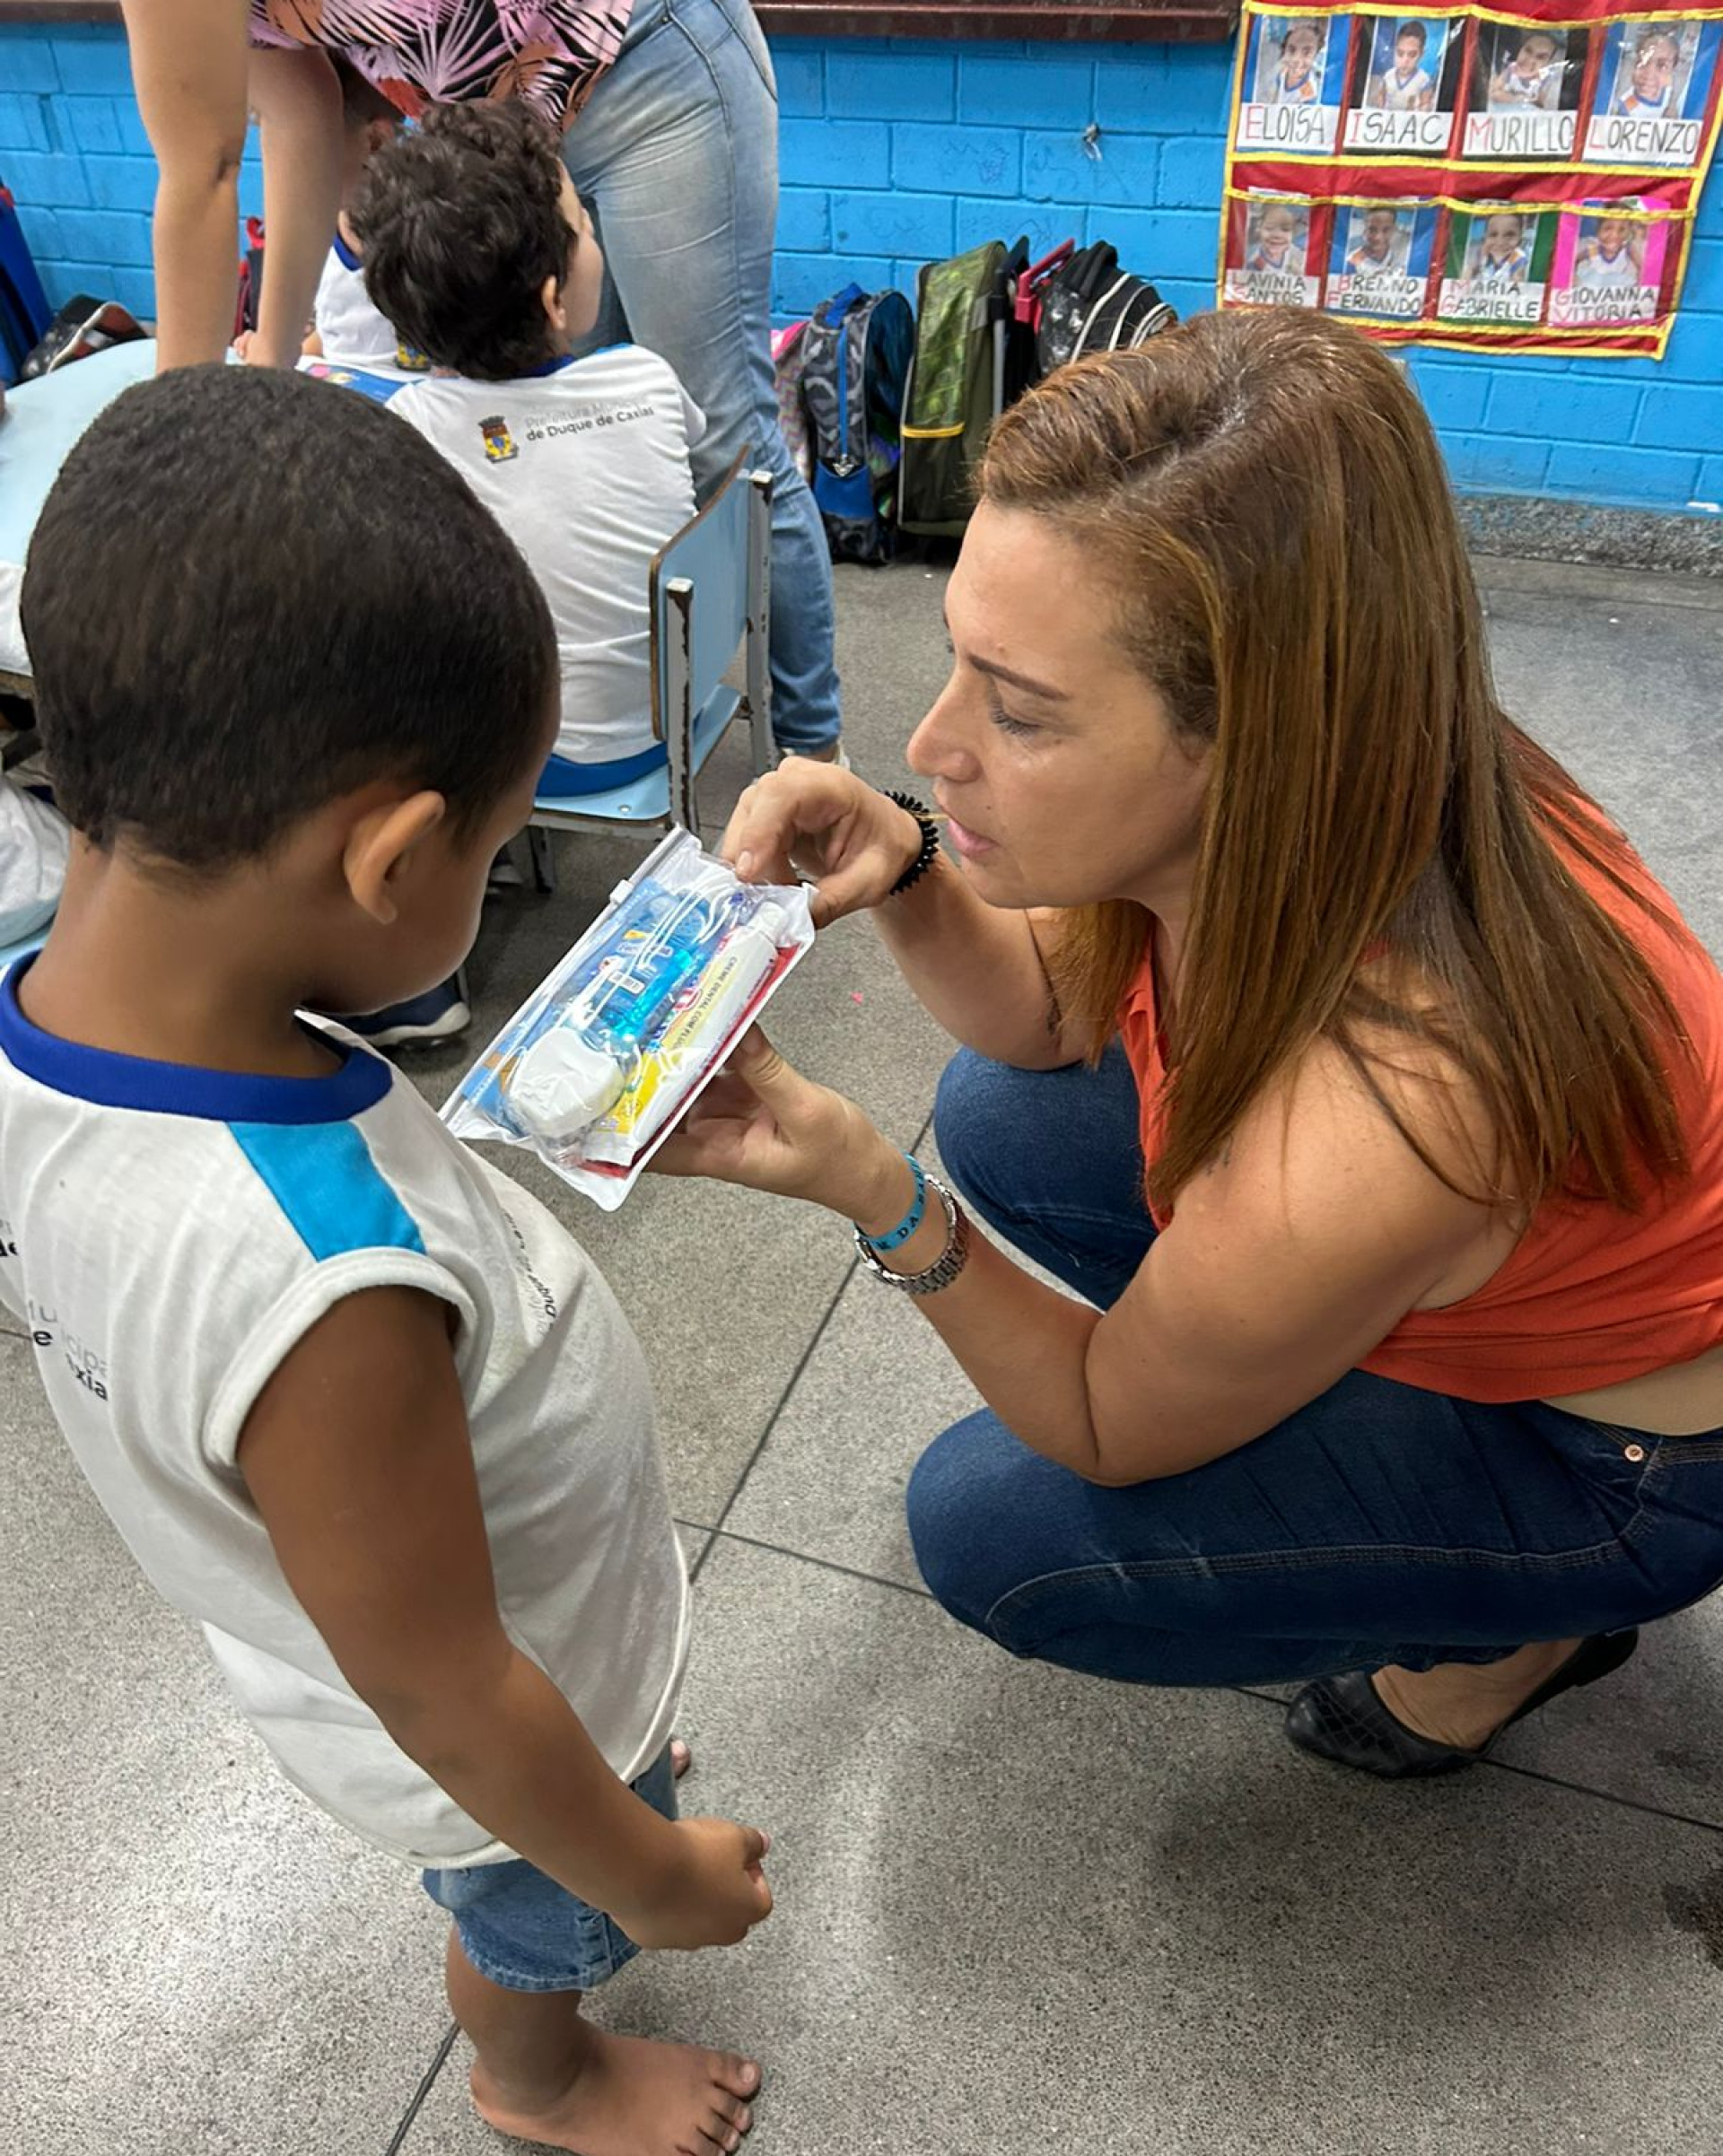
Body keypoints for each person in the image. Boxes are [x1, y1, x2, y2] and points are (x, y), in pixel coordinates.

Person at [659, 308, 1723, 1783]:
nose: (935, 742)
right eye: (963, 660)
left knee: (1004, 1532)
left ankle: (1522, 1628)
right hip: (1468, 1249)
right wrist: (907, 861)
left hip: (1619, 1467)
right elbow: (1046, 1014)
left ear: (1253, 736)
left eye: (1020, 715)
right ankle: (1329, 1363)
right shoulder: (1357, 765)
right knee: (1009, 1106)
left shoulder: (1381, 1106)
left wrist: (870, 1189)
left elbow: (1102, 1425)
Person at [3, 365, 770, 2156]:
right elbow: (445, 1684)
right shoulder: (323, 1293)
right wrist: (642, 1869)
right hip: (508, 1728)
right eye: (496, 851)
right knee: (538, 1914)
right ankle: (543, 2072)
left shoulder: (54, 1012)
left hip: (380, 1633)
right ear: (396, 855)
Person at [117, 0, 843, 764]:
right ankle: (604, 702)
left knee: (730, 444)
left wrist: (184, 448)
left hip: (646, 67)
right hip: (512, 152)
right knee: (552, 437)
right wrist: (271, 358)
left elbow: (205, 174)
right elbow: (302, 123)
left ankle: (815, 755)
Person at [355, 102, 700, 783]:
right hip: (678, 712)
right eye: (584, 225)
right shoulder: (647, 376)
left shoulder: (410, 428)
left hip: (523, 759)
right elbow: (689, 444)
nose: (593, 231)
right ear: (554, 303)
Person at [298, 63, 417, 372]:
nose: (290, 167)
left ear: (375, 141)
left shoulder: (429, 241)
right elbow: (338, 333)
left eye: (304, 147)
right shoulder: (317, 240)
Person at [1612, 28, 1683, 115]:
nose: (1649, 73)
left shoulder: (1669, 89)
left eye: (1662, 66)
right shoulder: (1626, 107)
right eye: (1643, 62)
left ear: (1672, 70)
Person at [1369, 22, 1436, 111]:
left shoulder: (1423, 80)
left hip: (1412, 122)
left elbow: (1425, 105)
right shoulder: (1388, 76)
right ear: (1395, 50)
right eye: (1400, 54)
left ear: (1422, 53)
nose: (1405, 61)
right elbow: (1381, 100)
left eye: (1412, 55)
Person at [1489, 28, 1562, 109]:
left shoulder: (1544, 80)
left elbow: (1540, 105)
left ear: (1548, 64)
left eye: (1540, 57)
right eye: (1528, 50)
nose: (1530, 60)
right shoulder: (1510, 70)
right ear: (1520, 49)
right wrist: (1516, 99)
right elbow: (1493, 92)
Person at [1264, 18, 1327, 102]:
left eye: (1306, 53)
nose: (1296, 59)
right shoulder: (1281, 73)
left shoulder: (1309, 90)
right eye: (1291, 50)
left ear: (1316, 55)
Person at [1574, 215, 1642, 289]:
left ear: (1628, 232)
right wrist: (1573, 276)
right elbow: (1574, 261)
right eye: (1607, 229)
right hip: (1595, 285)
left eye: (1622, 230)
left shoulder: (1627, 249)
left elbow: (1642, 266)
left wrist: (1640, 281)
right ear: (1598, 230)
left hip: (1618, 286)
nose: (1614, 236)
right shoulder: (1594, 250)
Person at [1465, 212, 1530, 286]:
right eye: (1493, 235)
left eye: (1510, 235)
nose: (1500, 243)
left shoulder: (1518, 257)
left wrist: (1517, 277)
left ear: (1520, 239)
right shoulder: (1483, 254)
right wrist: (1471, 270)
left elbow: (1517, 284)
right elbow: (1466, 277)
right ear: (1485, 237)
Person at [1346, 207, 1404, 277]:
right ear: (1365, 229)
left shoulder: (1401, 260)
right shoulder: (1350, 258)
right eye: (1372, 229)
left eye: (1386, 230)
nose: (1378, 237)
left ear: (1394, 229)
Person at [1248, 205, 1307, 275]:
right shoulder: (1254, 257)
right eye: (1269, 228)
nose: (1277, 235)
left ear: (1293, 234)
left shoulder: (1295, 252)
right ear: (1259, 230)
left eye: (1285, 230)